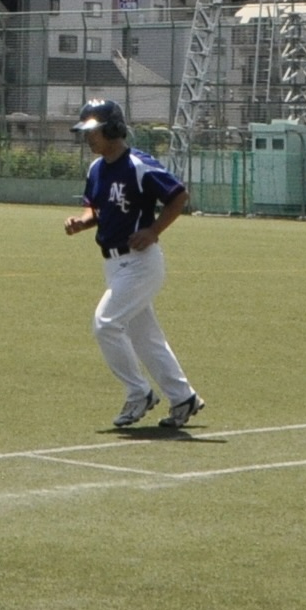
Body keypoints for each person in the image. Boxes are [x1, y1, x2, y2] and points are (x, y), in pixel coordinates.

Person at [65, 99, 205, 431]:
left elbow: (178, 196)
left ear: (113, 129)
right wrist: (82, 222)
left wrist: (154, 230)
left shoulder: (138, 165)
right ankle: (183, 397)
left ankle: (138, 392)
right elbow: (95, 208)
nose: (88, 138)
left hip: (141, 263)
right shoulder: (96, 169)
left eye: (94, 131)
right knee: (145, 337)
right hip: (114, 265)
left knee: (106, 324)